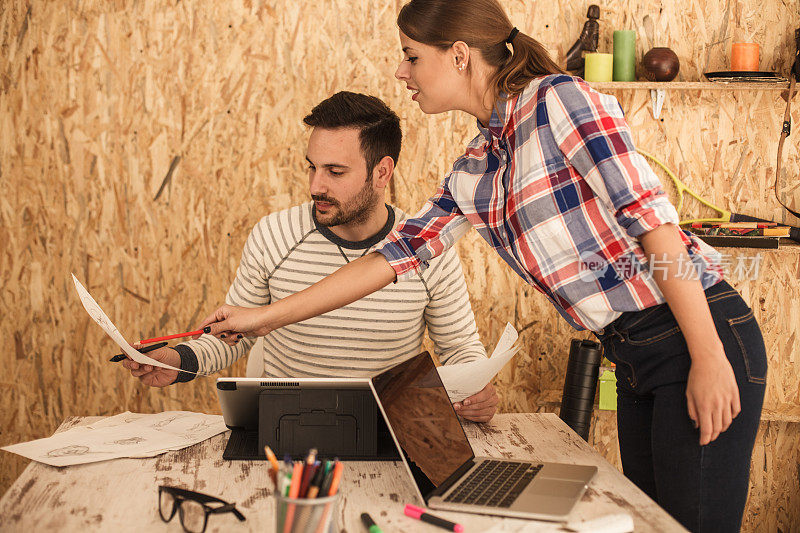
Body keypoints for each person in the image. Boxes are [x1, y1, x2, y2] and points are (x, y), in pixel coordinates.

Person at [198, 2, 766, 530]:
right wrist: (266, 317)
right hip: (635, 355)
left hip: (695, 331)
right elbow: (390, 258)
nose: (403, 72)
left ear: (460, 54)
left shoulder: (559, 102)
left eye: (412, 56)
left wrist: (709, 354)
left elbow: (656, 227)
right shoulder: (476, 166)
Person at [124, 90, 499, 423]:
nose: (316, 186)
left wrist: (476, 386)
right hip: (287, 428)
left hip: (387, 432)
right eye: (312, 167)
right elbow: (234, 336)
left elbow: (460, 348)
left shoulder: (425, 247)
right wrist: (176, 362)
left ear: (382, 172)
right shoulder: (274, 235)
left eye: (335, 171)